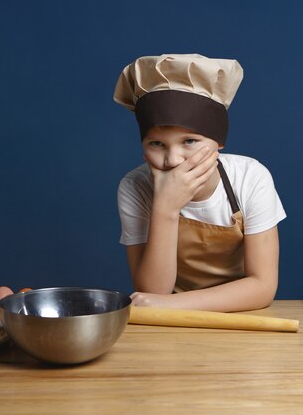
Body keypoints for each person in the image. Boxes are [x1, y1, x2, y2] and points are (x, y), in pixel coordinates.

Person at [113, 54, 286, 312]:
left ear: (218, 142)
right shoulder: (134, 187)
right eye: (156, 144)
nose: (172, 160)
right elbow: (152, 292)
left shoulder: (251, 177)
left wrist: (169, 305)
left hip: (239, 315)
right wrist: (166, 209)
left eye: (189, 141)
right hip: (170, 323)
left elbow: (262, 287)